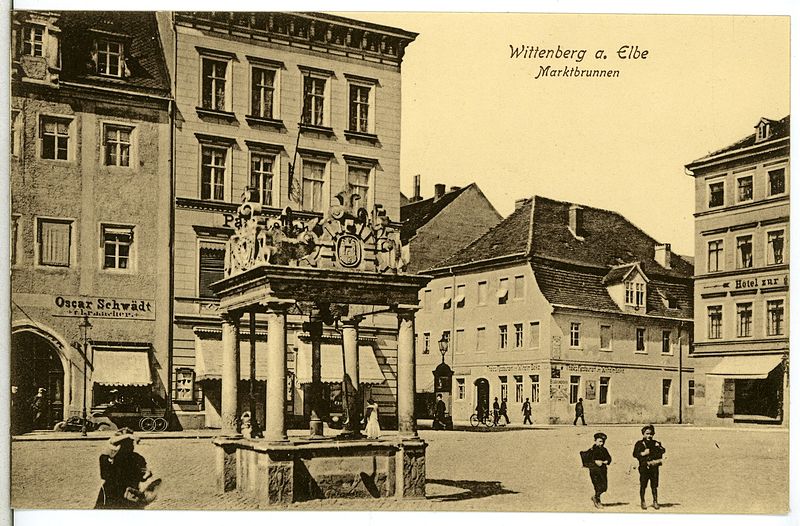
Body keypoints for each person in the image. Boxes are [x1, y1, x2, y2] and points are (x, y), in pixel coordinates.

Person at [95, 428, 160, 509]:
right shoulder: (106, 458)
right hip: (111, 493)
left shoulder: (137, 458)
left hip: (130, 493)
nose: (131, 446)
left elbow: (142, 477)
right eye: (127, 444)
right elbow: (105, 475)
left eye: (131, 443)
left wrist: (147, 475)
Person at [633, 424, 666, 510]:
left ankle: (655, 501)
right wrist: (643, 453)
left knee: (654, 485)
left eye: (651, 434)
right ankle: (643, 501)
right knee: (643, 485)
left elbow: (663, 451)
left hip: (654, 467)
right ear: (643, 434)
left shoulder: (655, 443)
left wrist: (659, 447)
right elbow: (635, 454)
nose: (649, 436)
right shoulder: (639, 443)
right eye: (647, 433)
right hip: (644, 467)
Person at [586, 432, 612, 508]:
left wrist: (607, 461)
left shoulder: (604, 449)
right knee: (598, 486)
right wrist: (595, 462)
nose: (601, 443)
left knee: (604, 487)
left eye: (603, 442)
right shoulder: (592, 450)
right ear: (595, 441)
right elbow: (587, 461)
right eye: (600, 441)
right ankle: (597, 500)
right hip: (594, 471)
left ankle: (595, 497)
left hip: (603, 471)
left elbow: (609, 458)